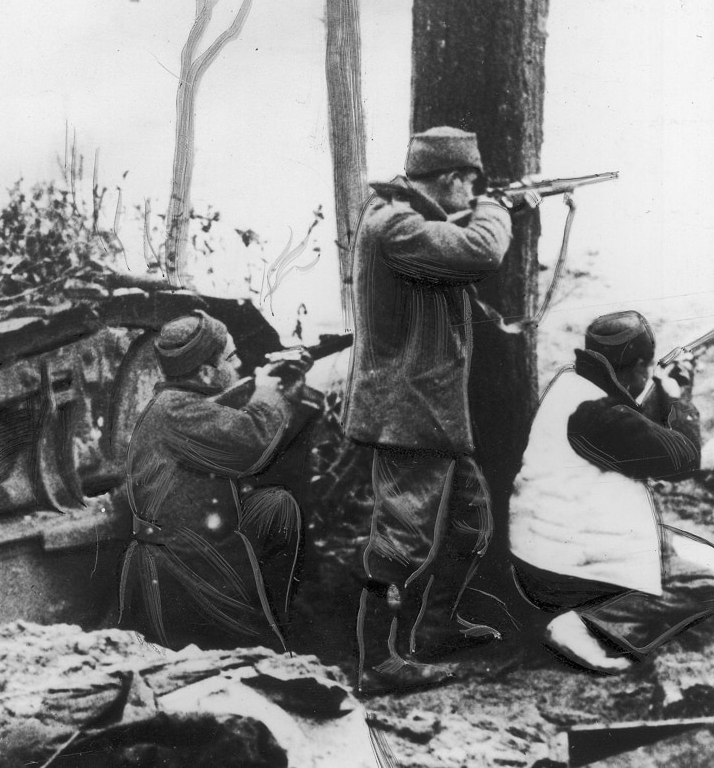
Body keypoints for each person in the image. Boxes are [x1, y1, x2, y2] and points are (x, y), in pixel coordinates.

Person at [345, 126, 532, 693]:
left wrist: (491, 208)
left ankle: (436, 626)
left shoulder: (407, 218)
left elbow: (452, 252)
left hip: (427, 409)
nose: (475, 192)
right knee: (401, 536)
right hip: (408, 411)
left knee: (470, 521)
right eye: (471, 183)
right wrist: (497, 210)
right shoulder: (394, 224)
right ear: (450, 178)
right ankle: (379, 662)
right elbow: (479, 252)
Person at [510, 311, 714, 673]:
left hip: (543, 553)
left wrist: (661, 393)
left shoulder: (571, 383)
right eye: (645, 370)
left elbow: (632, 423)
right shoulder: (600, 416)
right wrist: (678, 399)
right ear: (636, 365)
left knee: (689, 551)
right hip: (563, 574)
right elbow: (685, 459)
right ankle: (587, 624)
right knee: (706, 583)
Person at [118, 311, 317, 652]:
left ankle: (275, 616)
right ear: (207, 372)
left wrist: (286, 396)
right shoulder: (177, 411)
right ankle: (263, 639)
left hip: (190, 542)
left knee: (276, 507)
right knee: (258, 665)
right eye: (232, 357)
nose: (241, 366)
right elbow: (251, 441)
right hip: (187, 563)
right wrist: (268, 392)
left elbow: (239, 431)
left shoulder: (176, 404)